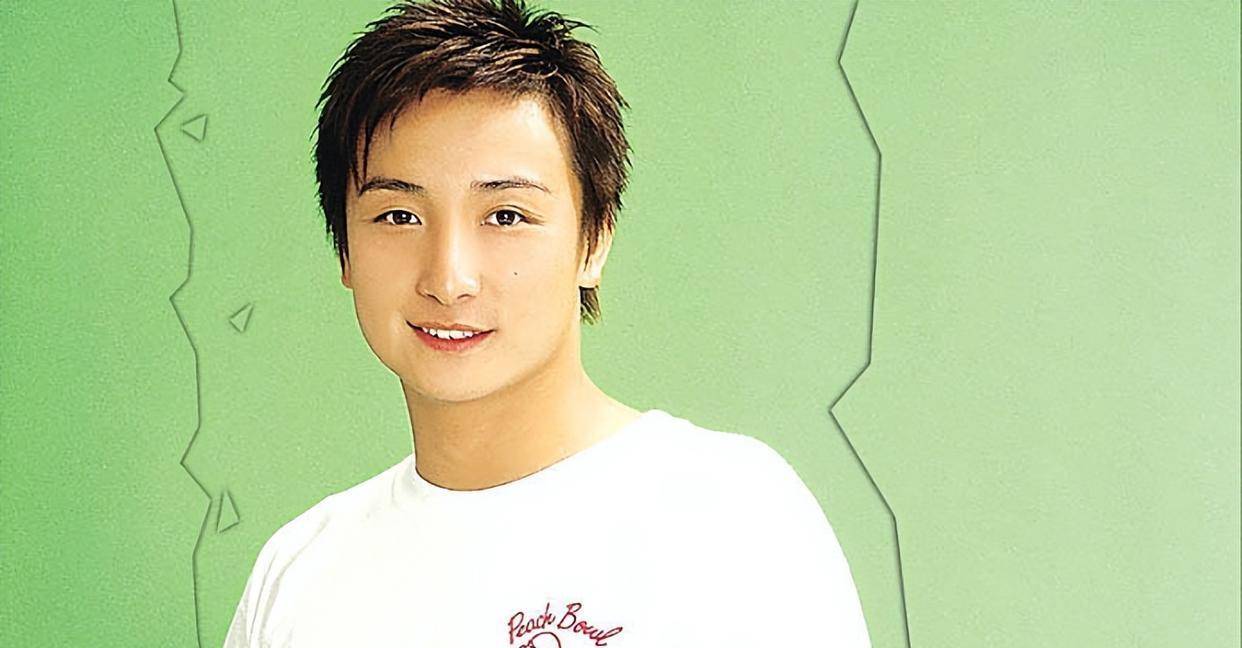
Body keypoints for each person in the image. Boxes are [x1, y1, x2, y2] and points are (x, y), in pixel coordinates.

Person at [224, 0, 871, 645]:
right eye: (399, 216)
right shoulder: (300, 573)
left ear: (594, 241)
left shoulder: (730, 516)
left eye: (506, 216)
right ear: (344, 249)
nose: (449, 278)